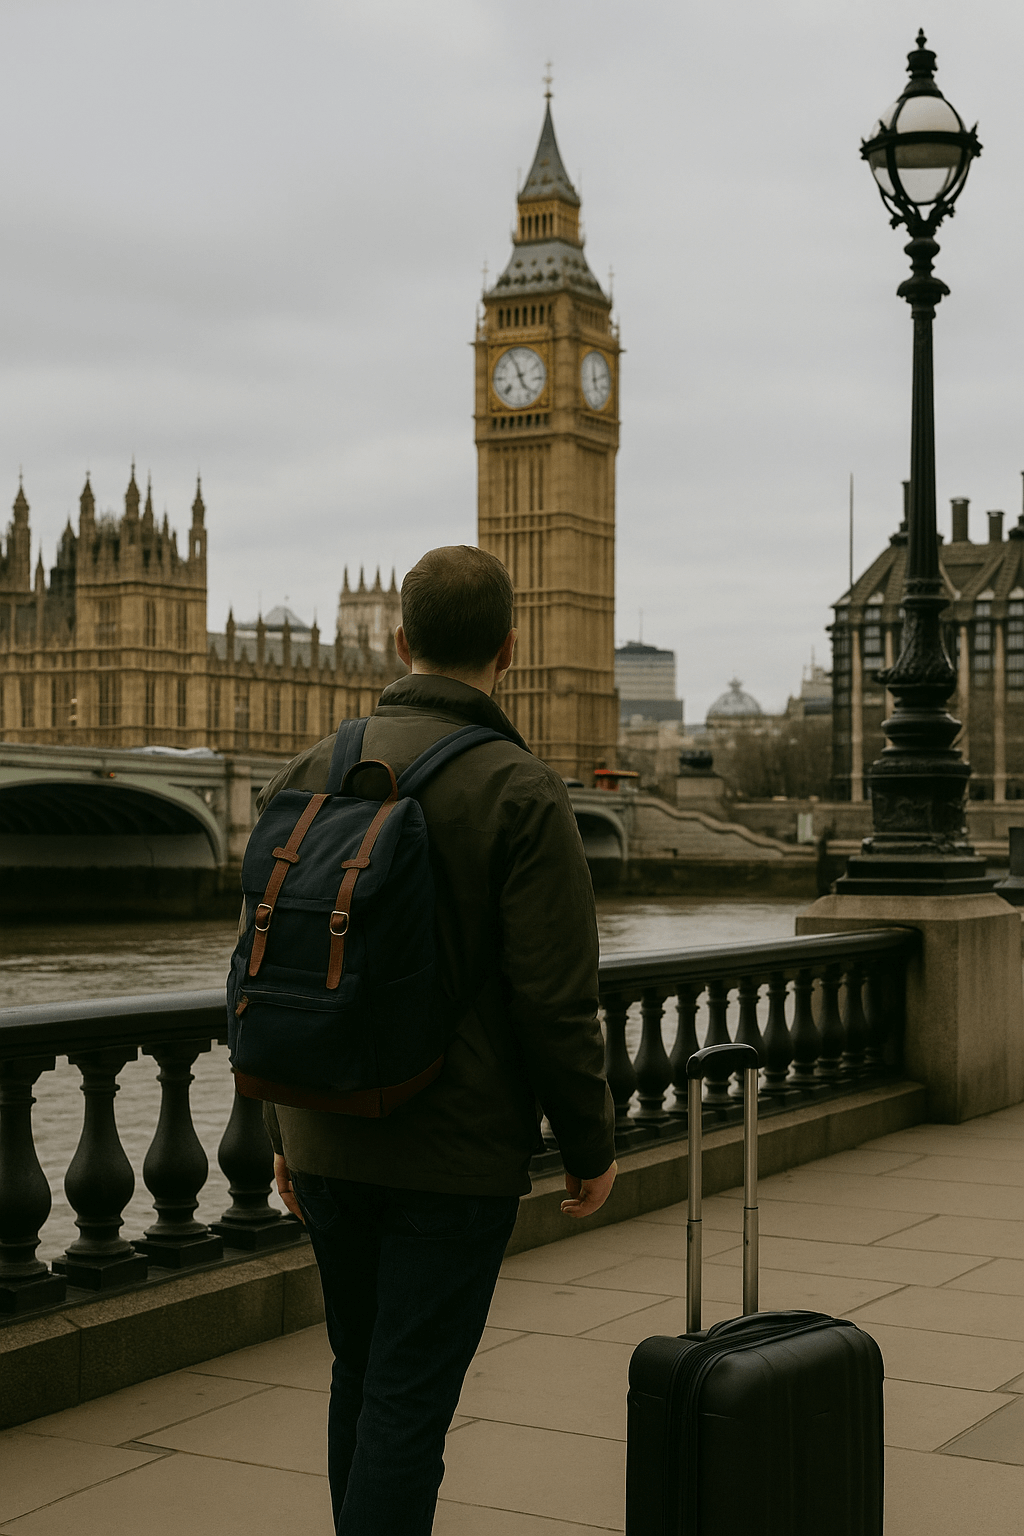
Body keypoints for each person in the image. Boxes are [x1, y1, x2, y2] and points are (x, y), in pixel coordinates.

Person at [257, 544, 617, 1535]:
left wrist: (278, 1136)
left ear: (401, 640)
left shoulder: (310, 765)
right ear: (511, 648)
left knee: (359, 1375)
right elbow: (555, 1001)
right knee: (409, 1399)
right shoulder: (522, 791)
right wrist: (588, 1145)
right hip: (452, 1155)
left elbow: (264, 973)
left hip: (325, 1136)